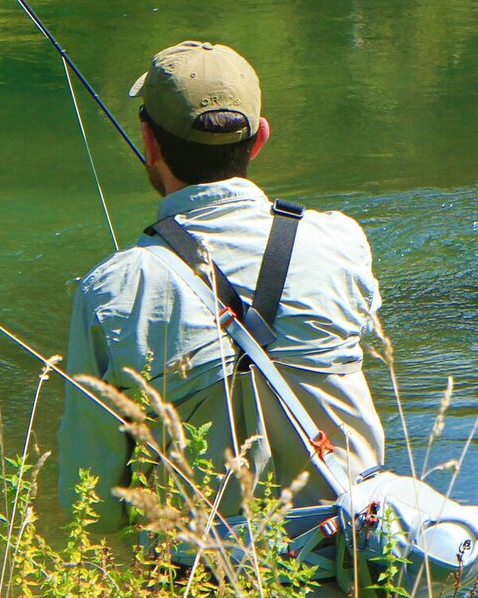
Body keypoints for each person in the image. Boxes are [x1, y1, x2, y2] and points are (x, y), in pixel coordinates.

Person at [58, 40, 386, 529]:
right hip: (359, 556)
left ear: (149, 142)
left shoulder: (112, 289)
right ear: (259, 139)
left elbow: (92, 499)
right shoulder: (341, 241)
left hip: (204, 567)